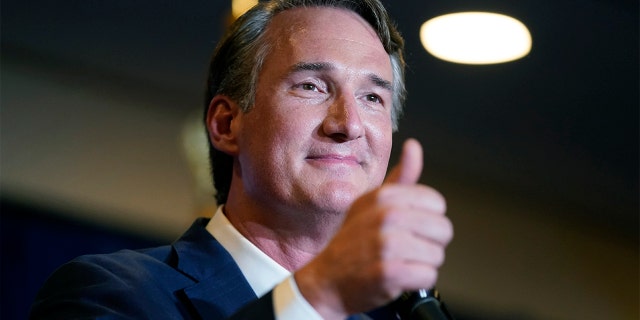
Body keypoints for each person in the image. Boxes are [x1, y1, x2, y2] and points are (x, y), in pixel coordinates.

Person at [30, 0, 454, 319]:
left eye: (372, 97)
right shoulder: (108, 293)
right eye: (311, 86)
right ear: (226, 124)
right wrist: (318, 294)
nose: (349, 124)